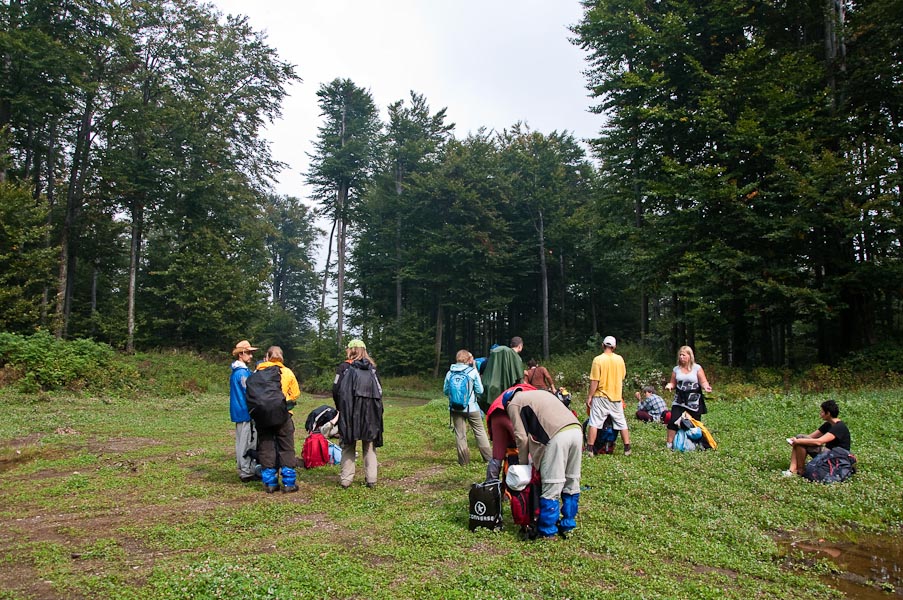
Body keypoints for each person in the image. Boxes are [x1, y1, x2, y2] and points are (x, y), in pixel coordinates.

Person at [504, 387, 582, 539]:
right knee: (572, 480)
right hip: (576, 430)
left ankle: (548, 530)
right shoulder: (540, 394)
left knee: (552, 484)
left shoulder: (513, 403)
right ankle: (568, 524)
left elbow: (521, 437)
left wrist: (523, 465)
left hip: (557, 436)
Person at [333, 339, 384, 489]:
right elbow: (380, 391)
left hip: (349, 410)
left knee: (348, 443)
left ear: (350, 350)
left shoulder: (343, 367)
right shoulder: (372, 369)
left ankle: (346, 479)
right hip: (370, 412)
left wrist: (340, 408)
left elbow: (336, 389)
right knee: (369, 444)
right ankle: (371, 479)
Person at [255, 346, 301, 493]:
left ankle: (270, 483)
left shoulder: (258, 372)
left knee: (266, 447)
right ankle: (289, 483)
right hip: (283, 415)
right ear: (281, 357)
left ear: (267, 357)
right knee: (286, 447)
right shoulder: (287, 372)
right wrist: (285, 401)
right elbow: (295, 394)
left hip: (263, 416)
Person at [443, 349, 492, 466]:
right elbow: (480, 390)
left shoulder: (450, 373)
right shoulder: (472, 372)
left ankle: (464, 461)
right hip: (471, 408)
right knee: (479, 431)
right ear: (468, 360)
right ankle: (489, 459)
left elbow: (445, 391)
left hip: (455, 408)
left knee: (460, 434)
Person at [585, 335, 631, 455]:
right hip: (616, 396)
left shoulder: (598, 360)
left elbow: (595, 381)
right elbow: (622, 376)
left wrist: (590, 396)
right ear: (614, 347)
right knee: (621, 422)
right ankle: (627, 448)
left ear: (603, 345)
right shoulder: (619, 359)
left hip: (601, 396)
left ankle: (590, 449)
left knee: (594, 422)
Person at [783, 399, 851, 477]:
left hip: (837, 457)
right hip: (828, 453)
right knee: (800, 439)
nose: (820, 414)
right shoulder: (828, 425)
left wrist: (798, 441)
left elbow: (819, 442)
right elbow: (810, 437)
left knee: (800, 441)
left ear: (828, 413)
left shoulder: (839, 427)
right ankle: (792, 470)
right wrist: (795, 440)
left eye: (822, 412)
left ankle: (799, 470)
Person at [485, 383, 537, 481]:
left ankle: (490, 484)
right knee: (526, 446)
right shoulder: (533, 393)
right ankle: (528, 479)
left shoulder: (512, 391)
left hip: (495, 413)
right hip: (509, 413)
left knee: (497, 455)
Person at [664, 345, 712, 449]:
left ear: (690, 356)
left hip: (693, 400)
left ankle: (699, 443)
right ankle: (669, 444)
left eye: (684, 355)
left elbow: (703, 381)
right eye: (680, 355)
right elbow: (673, 382)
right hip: (679, 400)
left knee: (695, 422)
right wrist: (669, 386)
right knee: (673, 421)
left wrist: (706, 387)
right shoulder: (676, 369)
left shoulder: (697, 368)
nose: (681, 357)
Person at [229, 340, 261, 482]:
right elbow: (249, 391)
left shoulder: (238, 371)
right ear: (241, 354)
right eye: (248, 353)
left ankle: (246, 469)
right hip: (245, 412)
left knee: (243, 441)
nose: (251, 356)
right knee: (247, 442)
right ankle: (246, 471)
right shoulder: (242, 373)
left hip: (240, 411)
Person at [479, 336, 525, 411]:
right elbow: (519, 377)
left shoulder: (492, 358)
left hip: (491, 389)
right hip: (508, 394)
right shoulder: (516, 358)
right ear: (520, 346)